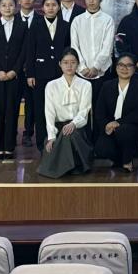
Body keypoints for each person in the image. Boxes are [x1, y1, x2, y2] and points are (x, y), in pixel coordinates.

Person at [25, 0, 71, 152]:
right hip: (40, 75)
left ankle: (60, 143)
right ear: (42, 7)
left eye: (54, 5)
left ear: (59, 7)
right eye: (47, 5)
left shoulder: (66, 25)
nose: (51, 8)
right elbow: (30, 51)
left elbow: (68, 50)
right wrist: (30, 74)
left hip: (60, 74)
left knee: (60, 109)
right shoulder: (35, 25)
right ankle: (42, 144)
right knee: (40, 109)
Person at [38, 48, 94, 178]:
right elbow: (49, 113)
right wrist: (51, 136)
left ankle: (65, 166)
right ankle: (69, 166)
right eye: (65, 62)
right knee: (54, 141)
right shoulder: (51, 85)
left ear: (78, 64)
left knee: (69, 134)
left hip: (77, 128)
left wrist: (73, 124)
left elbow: (84, 111)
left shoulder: (86, 85)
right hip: (58, 129)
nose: (69, 66)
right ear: (60, 64)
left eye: (73, 62)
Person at [0, 0, 29, 160]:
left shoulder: (22, 26)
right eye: (3, 5)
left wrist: (14, 71)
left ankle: (10, 146)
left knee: (12, 110)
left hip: (14, 76)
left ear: (15, 7)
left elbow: (24, 51)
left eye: (10, 4)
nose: (7, 8)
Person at [93, 53, 138, 172]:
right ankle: (120, 159)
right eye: (121, 65)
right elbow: (99, 112)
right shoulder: (107, 86)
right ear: (116, 67)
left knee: (123, 130)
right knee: (100, 148)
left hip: (132, 128)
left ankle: (128, 160)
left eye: (129, 65)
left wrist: (118, 123)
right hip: (110, 128)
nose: (124, 68)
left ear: (134, 69)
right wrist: (106, 125)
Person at [69, 0, 116, 104]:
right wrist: (82, 67)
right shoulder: (77, 20)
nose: (91, 0)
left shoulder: (108, 20)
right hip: (81, 72)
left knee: (101, 105)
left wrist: (96, 67)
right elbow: (74, 46)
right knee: (82, 106)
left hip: (102, 71)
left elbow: (107, 47)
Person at [16, 0, 39, 148]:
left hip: (34, 70)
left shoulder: (41, 20)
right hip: (14, 70)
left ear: (35, 0)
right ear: (19, 0)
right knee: (13, 103)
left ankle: (28, 133)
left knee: (31, 104)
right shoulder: (11, 18)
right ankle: (10, 133)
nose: (27, 0)